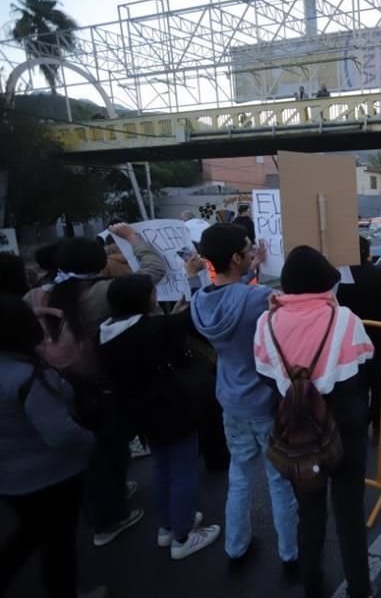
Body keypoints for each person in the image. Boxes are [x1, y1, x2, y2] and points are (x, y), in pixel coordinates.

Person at [253, 246, 376, 598]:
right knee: (349, 512)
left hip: (296, 432)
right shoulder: (346, 320)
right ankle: (360, 588)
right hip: (344, 432)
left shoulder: (266, 322)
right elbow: (363, 371)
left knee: (309, 511)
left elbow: (264, 377)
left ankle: (312, 585)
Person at [190, 223, 300, 574]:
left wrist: (252, 269)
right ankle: (290, 553)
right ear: (236, 257)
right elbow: (274, 305)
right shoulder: (255, 299)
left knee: (239, 475)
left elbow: (231, 290)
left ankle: (235, 546)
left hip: (229, 398)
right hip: (263, 401)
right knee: (279, 480)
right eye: (249, 248)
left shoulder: (199, 300)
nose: (254, 251)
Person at [48, 224, 166, 547]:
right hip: (103, 384)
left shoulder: (43, 294)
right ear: (100, 264)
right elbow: (154, 271)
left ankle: (107, 497)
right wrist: (132, 238)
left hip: (58, 384)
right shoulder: (103, 293)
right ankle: (108, 519)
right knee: (106, 446)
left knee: (92, 450)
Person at [99, 274, 222, 560]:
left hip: (137, 412)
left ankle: (168, 524)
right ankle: (182, 535)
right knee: (183, 469)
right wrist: (191, 277)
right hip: (172, 408)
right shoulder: (156, 328)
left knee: (162, 467)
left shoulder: (104, 333)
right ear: (144, 299)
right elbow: (195, 315)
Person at [0, 295, 102, 598]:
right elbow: (62, 434)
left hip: (10, 478)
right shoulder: (30, 378)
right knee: (59, 542)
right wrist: (92, 441)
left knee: (31, 533)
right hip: (49, 476)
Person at [337, 236, 381, 443]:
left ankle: (355, 428)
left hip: (347, 342)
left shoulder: (338, 280)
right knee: (379, 384)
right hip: (380, 339)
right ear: (367, 253)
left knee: (354, 385)